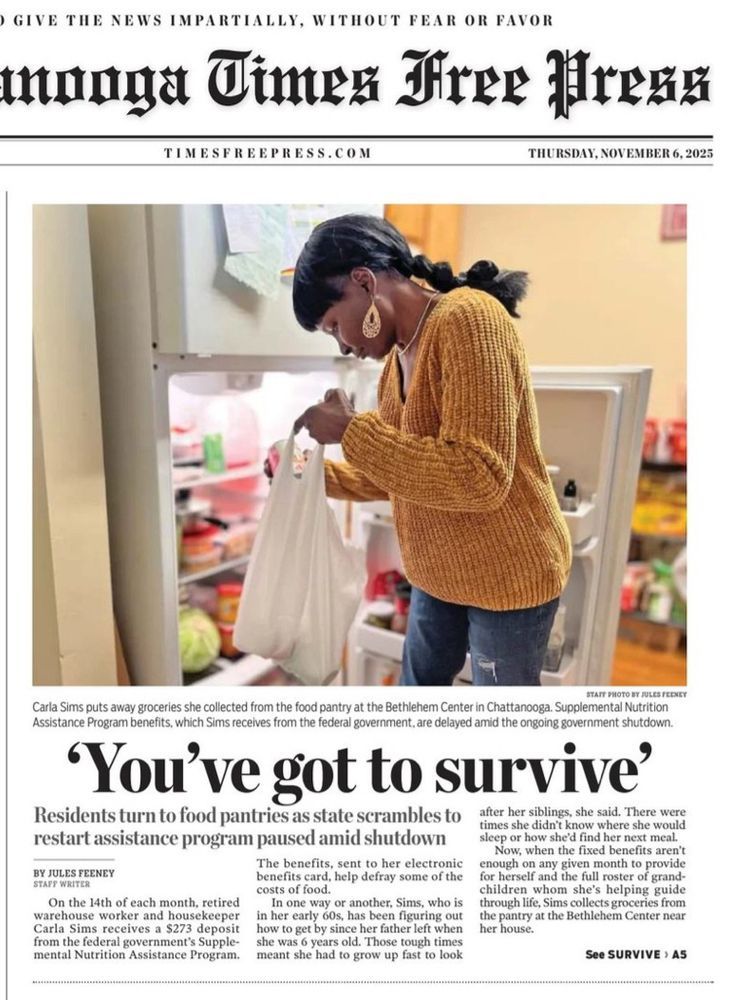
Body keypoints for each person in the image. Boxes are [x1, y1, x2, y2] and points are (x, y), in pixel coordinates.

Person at [289, 213, 572, 686]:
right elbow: (398, 473)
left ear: (364, 282)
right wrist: (305, 472)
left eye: (335, 325)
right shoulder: (393, 362)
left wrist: (352, 431)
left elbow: (477, 475)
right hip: (437, 574)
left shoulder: (469, 319)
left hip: (508, 575)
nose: (343, 345)